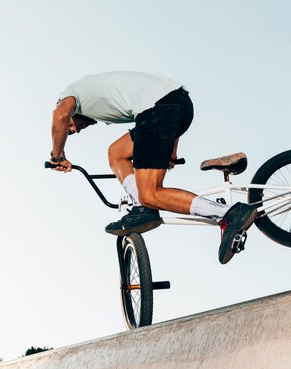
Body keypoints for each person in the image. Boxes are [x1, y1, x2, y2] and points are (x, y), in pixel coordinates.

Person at [50, 71, 257, 264]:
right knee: (116, 152)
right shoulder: (94, 99)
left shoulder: (69, 96)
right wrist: (171, 149)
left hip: (157, 111)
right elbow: (167, 107)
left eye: (70, 127)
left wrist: (57, 156)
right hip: (178, 104)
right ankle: (143, 207)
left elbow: (60, 116)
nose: (73, 130)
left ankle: (229, 212)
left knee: (151, 194)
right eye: (71, 132)